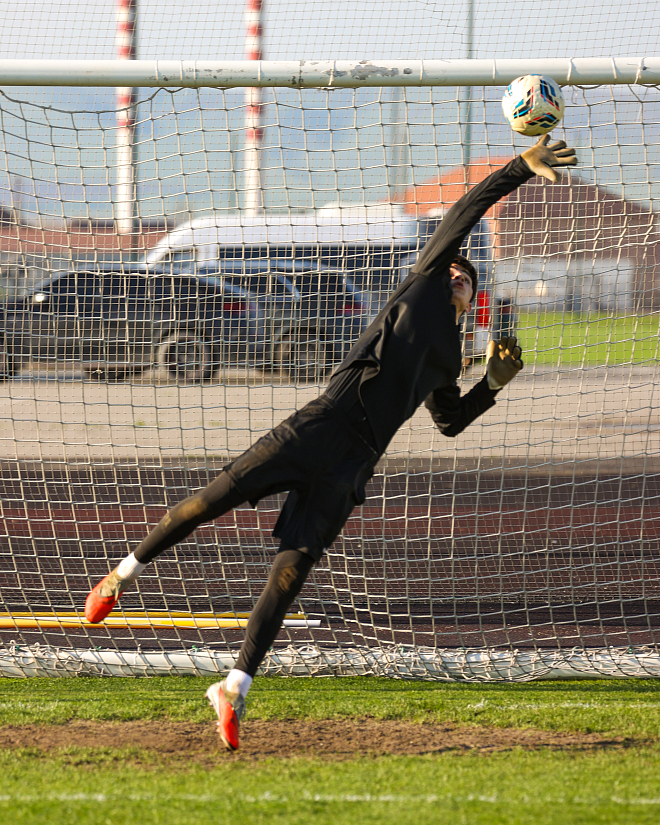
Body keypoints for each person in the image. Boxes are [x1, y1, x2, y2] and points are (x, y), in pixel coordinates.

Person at [85, 135, 577, 751]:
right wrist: (519, 168)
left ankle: (234, 686)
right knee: (210, 501)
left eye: (465, 276)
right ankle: (120, 576)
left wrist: (492, 384)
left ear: (471, 297)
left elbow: (449, 421)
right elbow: (464, 212)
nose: (456, 272)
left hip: (353, 464)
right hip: (317, 425)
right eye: (453, 267)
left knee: (290, 572)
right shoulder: (420, 286)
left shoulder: (450, 356)